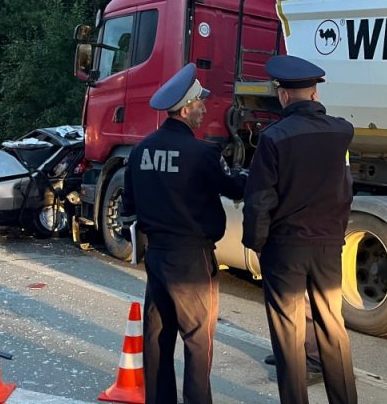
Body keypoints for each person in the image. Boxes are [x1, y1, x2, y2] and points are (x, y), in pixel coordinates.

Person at [122, 63, 246, 404]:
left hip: (156, 256)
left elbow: (128, 205)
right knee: (197, 340)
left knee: (157, 339)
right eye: (200, 103)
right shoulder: (202, 153)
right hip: (192, 260)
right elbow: (235, 187)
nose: (205, 109)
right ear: (186, 109)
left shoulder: (141, 150)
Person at [242, 55, 358, 404]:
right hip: (328, 245)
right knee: (332, 329)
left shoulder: (273, 138)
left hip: (286, 247)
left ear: (283, 95)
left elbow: (259, 199)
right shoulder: (342, 132)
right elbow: (346, 187)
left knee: (289, 337)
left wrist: (256, 243)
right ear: (314, 93)